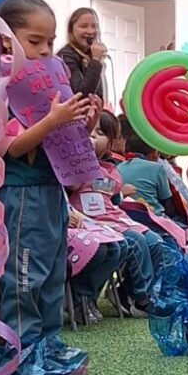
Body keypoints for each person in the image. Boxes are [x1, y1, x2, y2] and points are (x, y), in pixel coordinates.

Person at [0, 0, 99, 346]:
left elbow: (65, 140)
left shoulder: (51, 81)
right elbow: (11, 147)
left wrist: (85, 122)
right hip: (24, 193)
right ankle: (22, 348)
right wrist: (53, 120)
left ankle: (49, 345)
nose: (44, 51)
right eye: (34, 41)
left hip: (53, 190)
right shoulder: (0, 88)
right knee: (26, 274)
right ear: (6, 41)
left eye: (50, 42)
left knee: (55, 272)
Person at [69, 111, 167, 317]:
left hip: (114, 218)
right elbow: (73, 185)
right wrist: (83, 158)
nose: (92, 136)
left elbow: (113, 193)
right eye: (89, 131)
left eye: (100, 133)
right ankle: (143, 299)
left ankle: (133, 294)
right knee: (135, 241)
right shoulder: (74, 165)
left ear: (111, 143)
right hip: (89, 221)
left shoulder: (111, 170)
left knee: (155, 242)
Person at [118, 134, 179, 223]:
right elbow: (169, 206)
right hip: (154, 220)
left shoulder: (119, 167)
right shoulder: (157, 169)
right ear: (154, 153)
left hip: (128, 218)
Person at [57, 7, 107, 100]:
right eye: (84, 26)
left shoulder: (90, 54)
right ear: (71, 30)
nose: (90, 31)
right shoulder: (66, 56)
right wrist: (95, 61)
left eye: (94, 26)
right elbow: (80, 95)